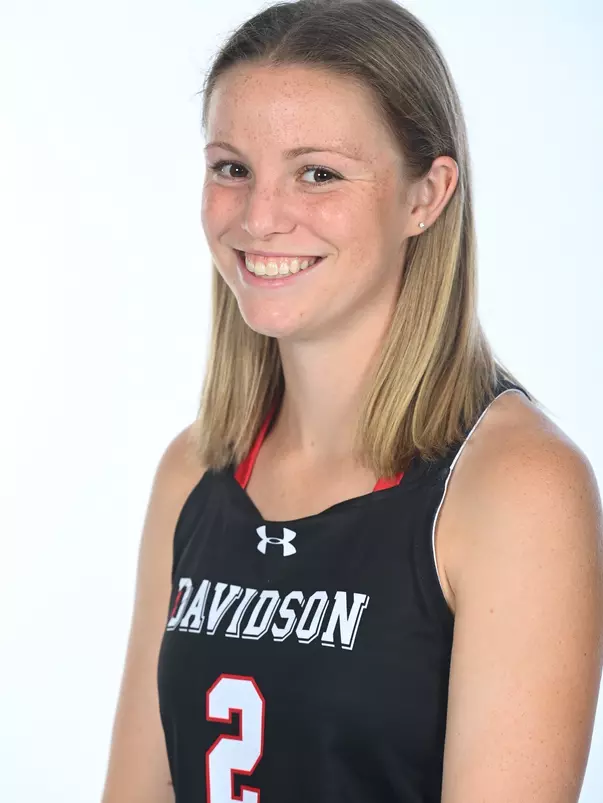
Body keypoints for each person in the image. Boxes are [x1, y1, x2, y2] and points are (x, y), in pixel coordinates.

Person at [101, 1, 603, 801]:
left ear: (425, 195)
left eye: (318, 173)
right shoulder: (193, 469)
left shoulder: (514, 486)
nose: (260, 217)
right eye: (232, 168)